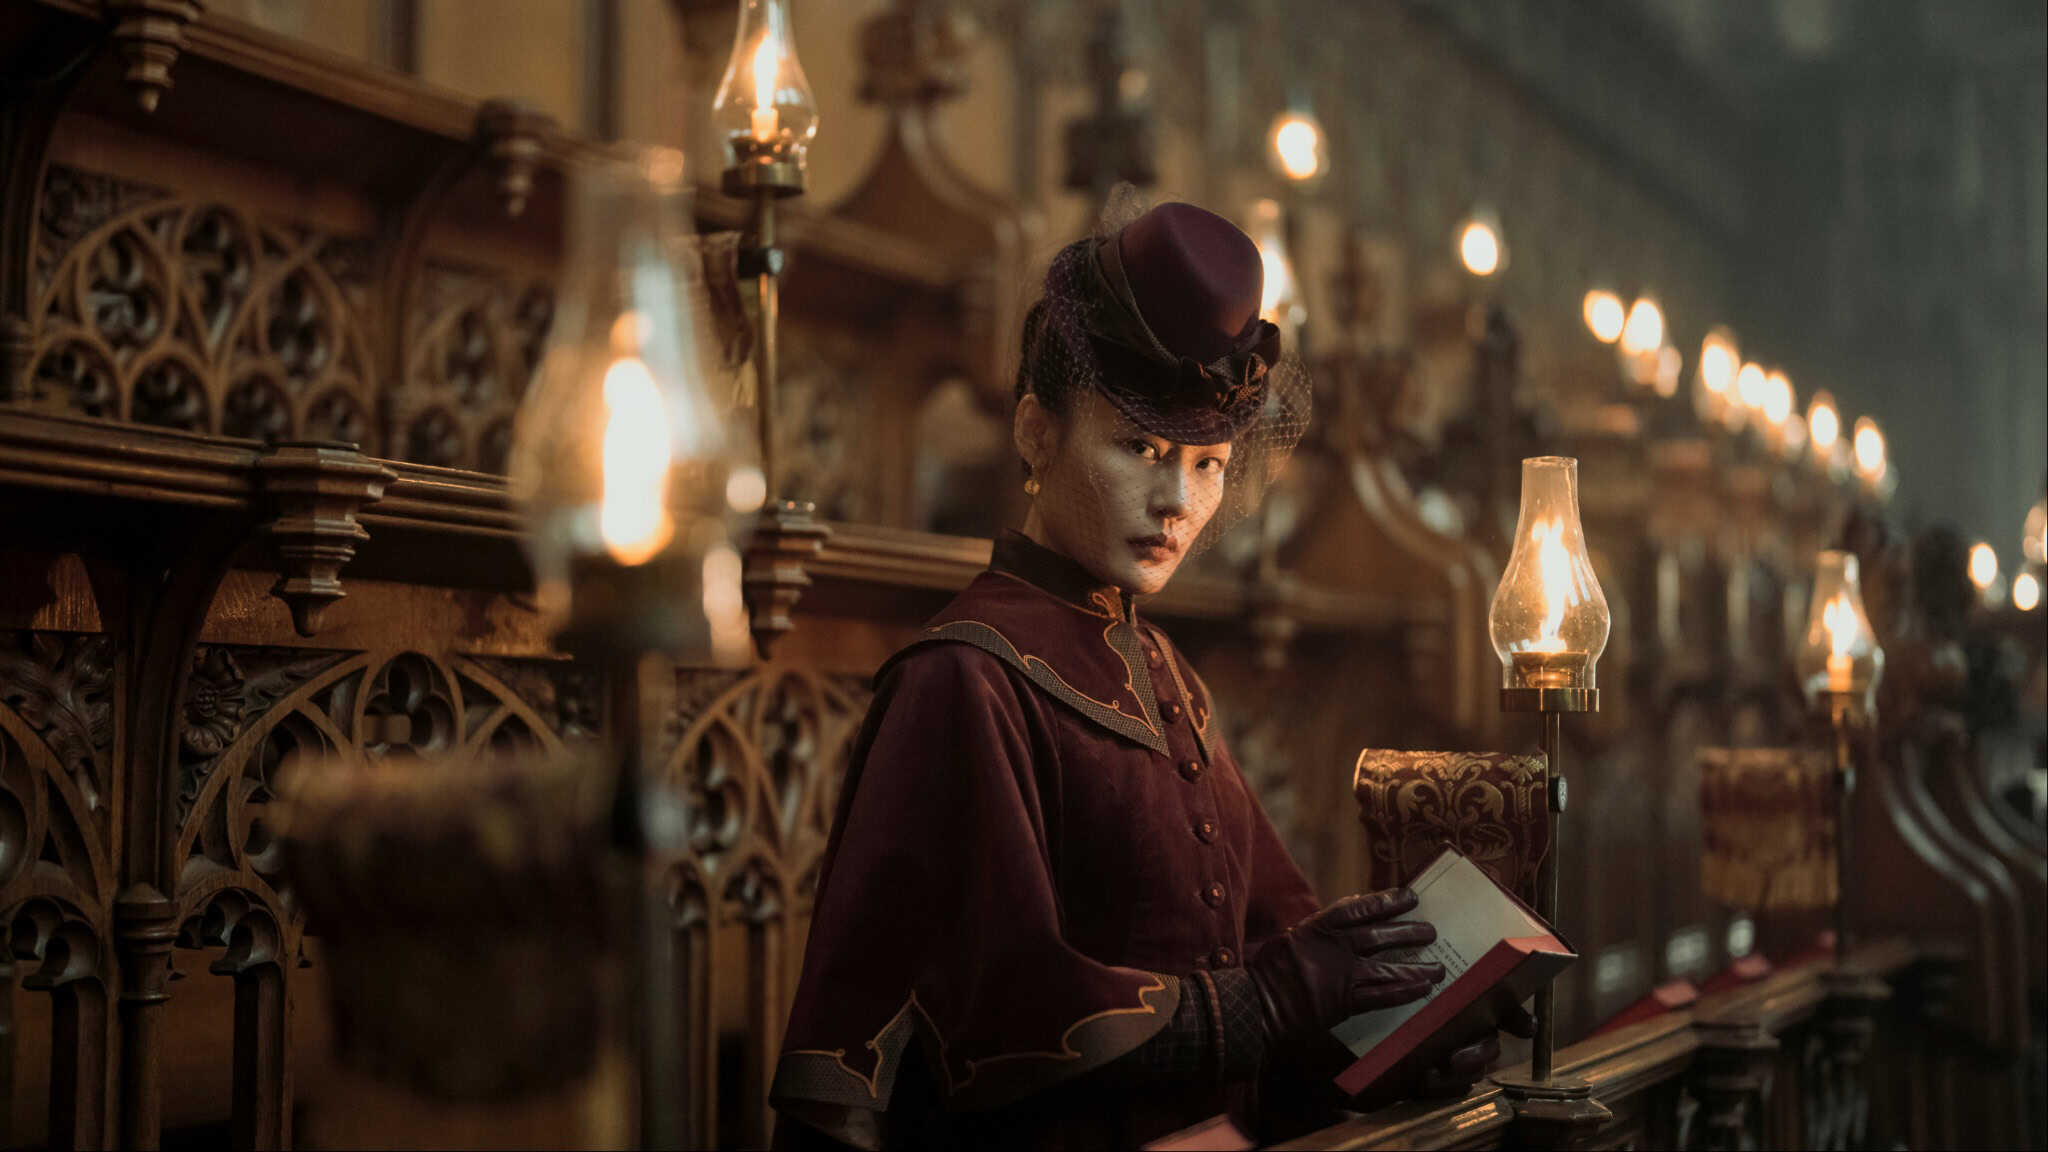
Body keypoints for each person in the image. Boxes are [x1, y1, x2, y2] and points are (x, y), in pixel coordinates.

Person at [770, 200, 1522, 1150]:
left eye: (1209, 464)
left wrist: (1397, 1035)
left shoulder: (1167, 672)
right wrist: (1287, 995)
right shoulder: (964, 676)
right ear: (1037, 433)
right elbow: (1005, 1016)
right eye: (1140, 450)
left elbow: (1274, 961)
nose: (1178, 503)